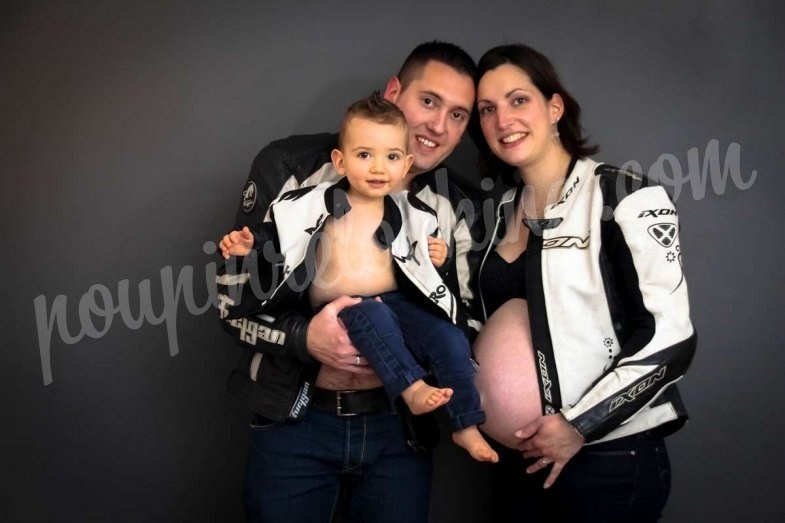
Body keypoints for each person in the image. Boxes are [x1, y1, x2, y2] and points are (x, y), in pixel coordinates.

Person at [215, 42, 479, 523]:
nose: (440, 126)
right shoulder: (291, 168)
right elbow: (232, 307)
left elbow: (466, 320)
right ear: (394, 91)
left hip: (398, 431)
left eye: (458, 115)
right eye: (429, 101)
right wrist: (305, 338)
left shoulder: (456, 206)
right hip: (296, 419)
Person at [469, 43, 697, 522]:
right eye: (487, 109)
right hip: (515, 465)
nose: (502, 119)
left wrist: (579, 425)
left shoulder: (622, 193)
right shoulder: (489, 217)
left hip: (607, 458)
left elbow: (671, 338)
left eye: (518, 100)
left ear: (554, 108)